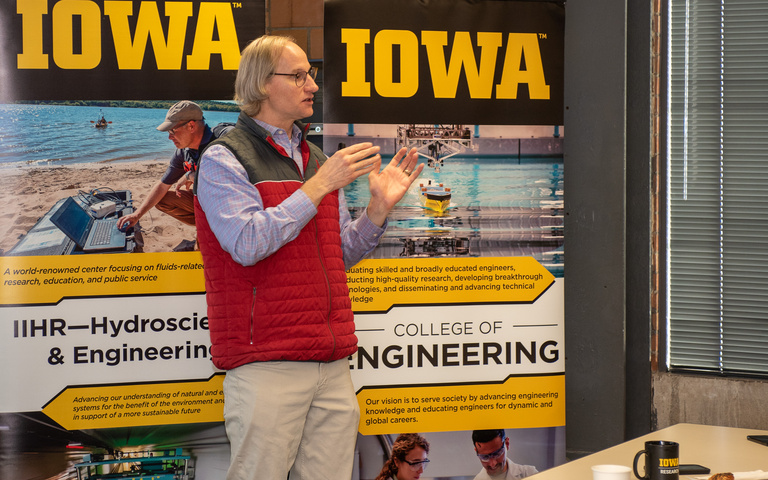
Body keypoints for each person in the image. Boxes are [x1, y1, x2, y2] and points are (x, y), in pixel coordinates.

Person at [193, 35, 424, 480]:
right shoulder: (224, 159)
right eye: (298, 75)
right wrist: (316, 187)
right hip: (267, 364)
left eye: (310, 75)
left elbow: (338, 255)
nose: (312, 86)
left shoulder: (316, 158)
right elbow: (246, 243)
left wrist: (377, 211)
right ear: (261, 84)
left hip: (331, 362)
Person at [117, 101, 233, 231]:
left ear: (191, 126)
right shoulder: (184, 151)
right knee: (162, 199)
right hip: (205, 203)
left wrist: (191, 176)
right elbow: (162, 185)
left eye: (172, 131)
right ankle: (206, 225)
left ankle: (212, 228)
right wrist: (136, 215)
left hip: (231, 207)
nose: (169, 137)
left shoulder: (226, 137)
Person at [472, 429, 538, 480]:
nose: (493, 464)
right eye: (485, 457)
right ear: (476, 452)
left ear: (507, 444)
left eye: (497, 454)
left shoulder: (530, 474)